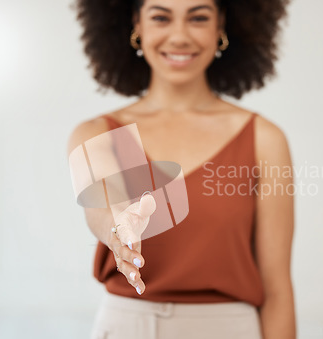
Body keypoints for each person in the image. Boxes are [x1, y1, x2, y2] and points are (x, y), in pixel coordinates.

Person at [67, 0, 296, 338]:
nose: (179, 36)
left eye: (198, 18)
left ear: (221, 26)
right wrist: (119, 227)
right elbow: (102, 204)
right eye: (160, 17)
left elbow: (277, 290)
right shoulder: (97, 133)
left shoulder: (264, 139)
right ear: (136, 25)